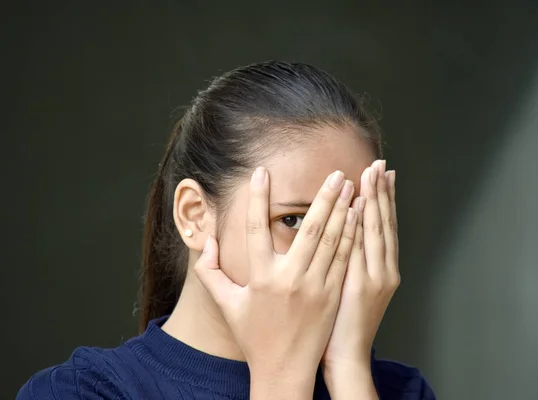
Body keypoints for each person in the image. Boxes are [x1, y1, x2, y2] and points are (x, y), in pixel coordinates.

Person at [17, 61, 435, 399]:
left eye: (355, 223)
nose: (332, 255)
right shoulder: (83, 391)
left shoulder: (398, 391)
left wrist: (348, 369)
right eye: (293, 220)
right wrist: (282, 378)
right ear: (194, 215)